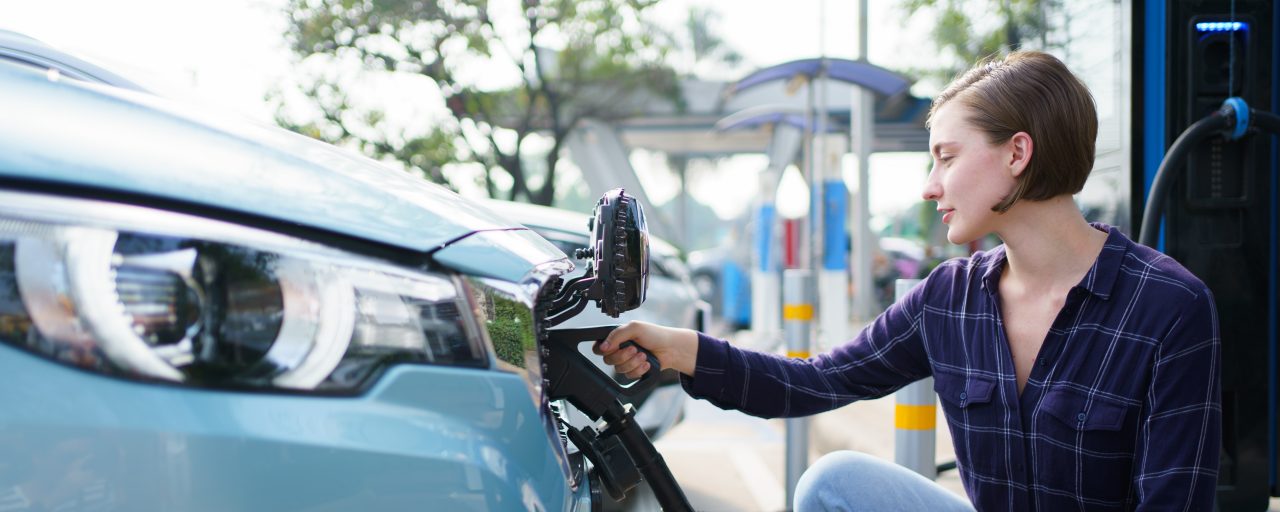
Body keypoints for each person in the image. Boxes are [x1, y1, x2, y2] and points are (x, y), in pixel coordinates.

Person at [595, 51, 1220, 511]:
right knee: (831, 483)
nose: (930, 185)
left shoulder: (1168, 307)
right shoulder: (949, 299)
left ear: (1017, 154)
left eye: (946, 156)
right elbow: (818, 380)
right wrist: (683, 352)